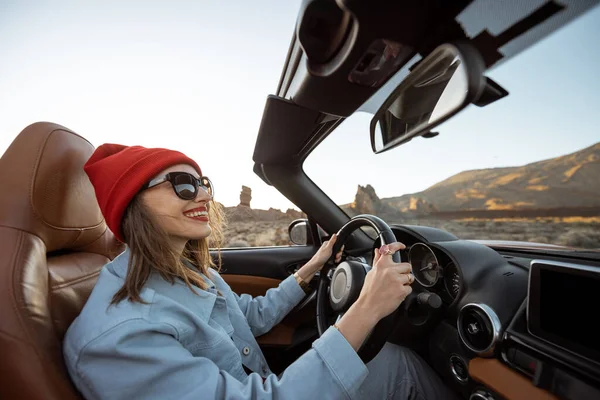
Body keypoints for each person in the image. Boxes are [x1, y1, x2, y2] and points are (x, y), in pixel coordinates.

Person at [63, 143, 457, 399]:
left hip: (264, 384)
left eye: (203, 184)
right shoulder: (119, 338)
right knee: (397, 366)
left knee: (385, 359)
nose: (202, 194)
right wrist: (366, 308)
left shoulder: (184, 270)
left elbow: (252, 317)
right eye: (182, 185)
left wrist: (314, 266)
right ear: (132, 203)